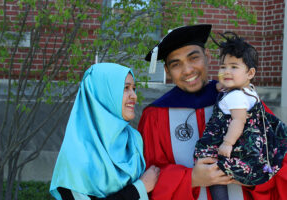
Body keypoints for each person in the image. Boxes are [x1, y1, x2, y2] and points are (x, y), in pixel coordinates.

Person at [138, 24, 287, 200]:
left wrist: (252, 178)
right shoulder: (155, 115)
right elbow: (148, 177)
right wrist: (192, 179)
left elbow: (280, 160)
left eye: (194, 58)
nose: (187, 70)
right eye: (176, 64)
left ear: (207, 56)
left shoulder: (241, 100)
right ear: (167, 71)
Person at [194, 32, 287, 200]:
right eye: (223, 67)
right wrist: (223, 84)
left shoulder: (236, 96)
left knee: (215, 172)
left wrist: (227, 143)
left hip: (232, 142)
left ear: (250, 73)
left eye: (233, 67)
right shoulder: (247, 90)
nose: (226, 71)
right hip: (252, 144)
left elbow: (238, 120)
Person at [50, 63, 160, 200]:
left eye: (134, 88)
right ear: (103, 94)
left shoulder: (134, 139)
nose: (134, 96)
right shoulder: (76, 156)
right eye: (126, 88)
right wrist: (139, 188)